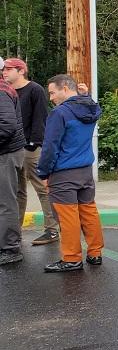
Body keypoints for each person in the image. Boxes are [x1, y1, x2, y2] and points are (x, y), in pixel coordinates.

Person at [36, 74, 104, 273]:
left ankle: (72, 258)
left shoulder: (60, 113)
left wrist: (43, 172)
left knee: (67, 217)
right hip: (85, 170)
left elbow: (50, 146)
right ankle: (95, 253)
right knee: (88, 212)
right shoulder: (90, 107)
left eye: (52, 92)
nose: (51, 98)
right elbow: (92, 106)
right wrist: (86, 95)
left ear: (65, 88)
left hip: (64, 172)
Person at [3, 58, 60, 245]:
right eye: (4, 69)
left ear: (21, 71)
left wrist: (34, 143)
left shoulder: (34, 89)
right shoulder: (7, 90)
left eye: (9, 69)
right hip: (13, 148)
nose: (5, 72)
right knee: (17, 191)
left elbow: (41, 118)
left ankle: (52, 230)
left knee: (42, 188)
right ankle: (14, 230)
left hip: (31, 147)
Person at [0, 77, 26, 266]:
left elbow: (7, 125)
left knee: (5, 201)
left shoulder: (1, 92)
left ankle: (10, 248)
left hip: (6, 153)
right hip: (7, 151)